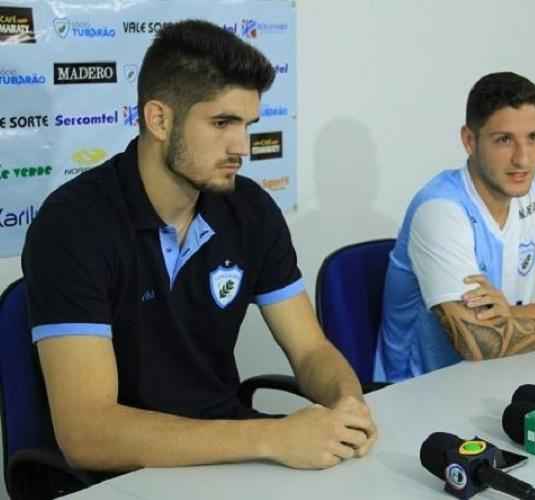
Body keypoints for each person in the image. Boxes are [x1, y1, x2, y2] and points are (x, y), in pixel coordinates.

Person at [22, 19, 376, 473]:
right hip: (125, 474)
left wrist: (348, 405)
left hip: (231, 454)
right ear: (159, 119)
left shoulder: (250, 209)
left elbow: (310, 350)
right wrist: (274, 436)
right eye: (222, 122)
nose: (242, 146)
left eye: (247, 124)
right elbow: (88, 434)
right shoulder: (72, 224)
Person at [374, 72, 535, 382]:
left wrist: (509, 315)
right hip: (425, 393)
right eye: (504, 140)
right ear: (469, 140)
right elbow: (479, 343)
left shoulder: (533, 199)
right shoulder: (441, 211)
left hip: (503, 374)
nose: (523, 159)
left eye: (533, 138)